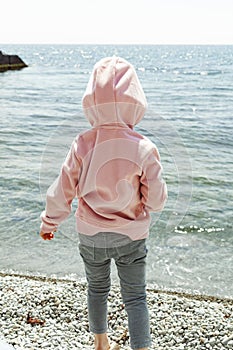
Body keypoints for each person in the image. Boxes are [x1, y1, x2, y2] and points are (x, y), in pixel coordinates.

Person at [40, 56, 167, 350]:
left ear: (91, 102)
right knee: (135, 296)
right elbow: (157, 200)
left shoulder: (82, 143)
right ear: (135, 100)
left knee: (97, 289)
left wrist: (50, 221)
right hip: (131, 235)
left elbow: (64, 188)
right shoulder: (144, 147)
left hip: (91, 233)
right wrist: (145, 205)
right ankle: (141, 347)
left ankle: (101, 344)